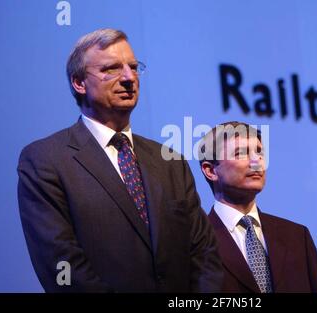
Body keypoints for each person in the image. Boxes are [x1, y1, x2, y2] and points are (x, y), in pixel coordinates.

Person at [17, 28, 223, 292]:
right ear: (79, 82)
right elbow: (62, 264)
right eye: (112, 69)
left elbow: (204, 255)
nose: (129, 78)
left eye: (134, 67)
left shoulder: (170, 161)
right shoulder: (46, 160)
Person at [198, 121, 317, 293]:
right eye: (241, 153)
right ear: (210, 170)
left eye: (259, 152)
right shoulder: (195, 243)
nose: (257, 162)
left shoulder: (297, 237)